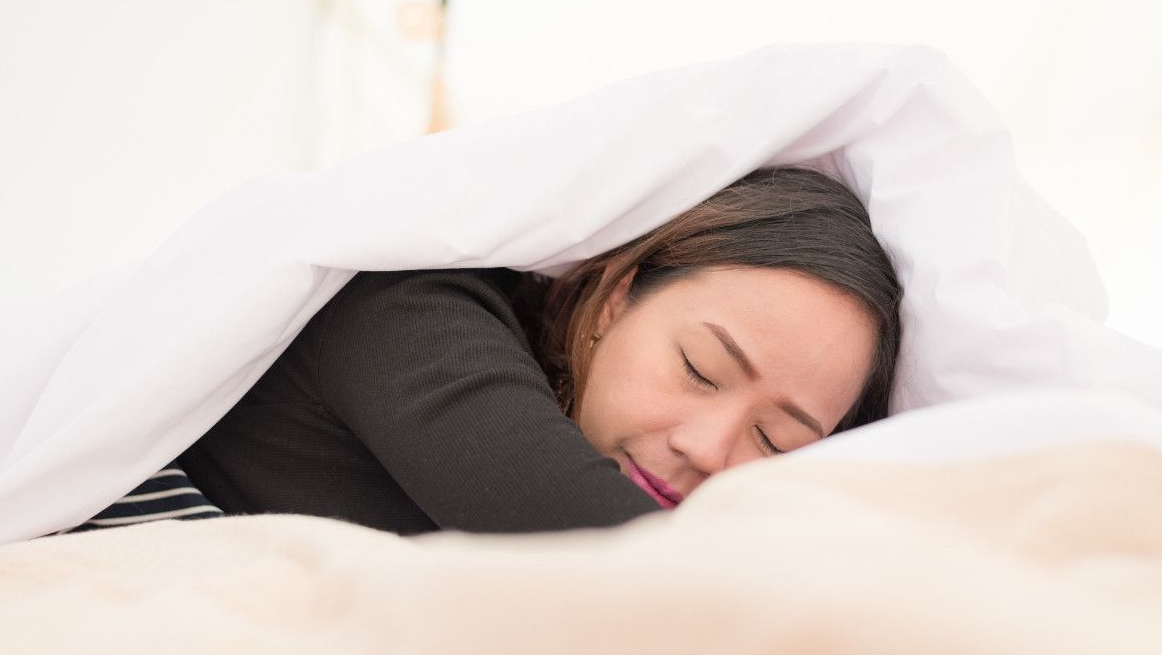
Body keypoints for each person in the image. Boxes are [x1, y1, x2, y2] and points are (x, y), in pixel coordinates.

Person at [62, 165, 902, 536]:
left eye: (776, 441)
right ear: (615, 296)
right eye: (700, 370)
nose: (707, 448)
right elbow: (619, 548)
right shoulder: (410, 309)